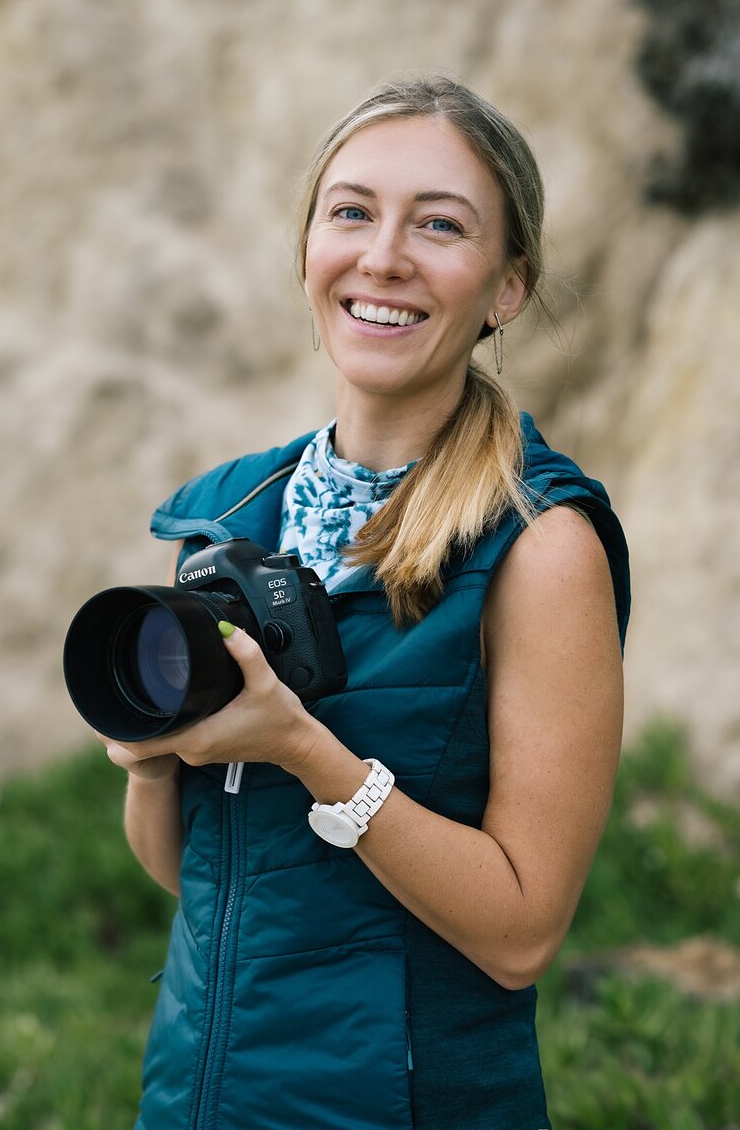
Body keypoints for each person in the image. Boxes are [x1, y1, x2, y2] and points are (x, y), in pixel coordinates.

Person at [98, 75, 630, 1130]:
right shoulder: (226, 519)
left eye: (438, 226)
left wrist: (306, 751)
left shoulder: (540, 547)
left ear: (505, 287)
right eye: (351, 212)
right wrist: (149, 761)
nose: (382, 256)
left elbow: (522, 933)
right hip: (200, 1096)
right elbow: (195, 876)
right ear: (308, 250)